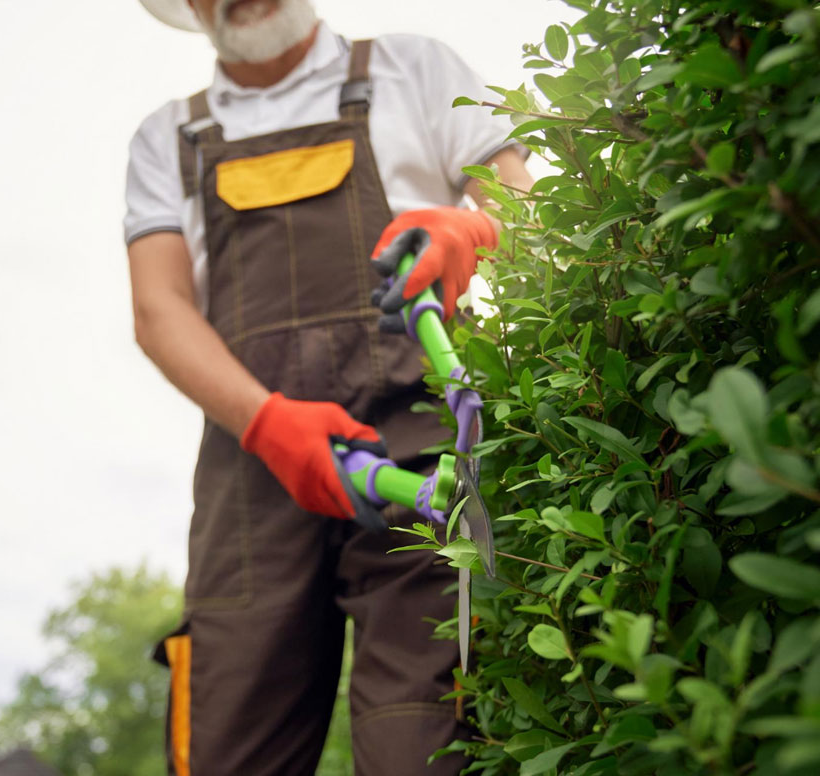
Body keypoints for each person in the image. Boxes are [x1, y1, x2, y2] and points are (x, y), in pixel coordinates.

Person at [124, 1, 533, 774]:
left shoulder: (415, 70)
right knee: (228, 743)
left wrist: (475, 229)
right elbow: (159, 309)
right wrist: (268, 421)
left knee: (431, 742)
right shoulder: (167, 139)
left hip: (422, 448)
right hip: (253, 471)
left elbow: (531, 208)